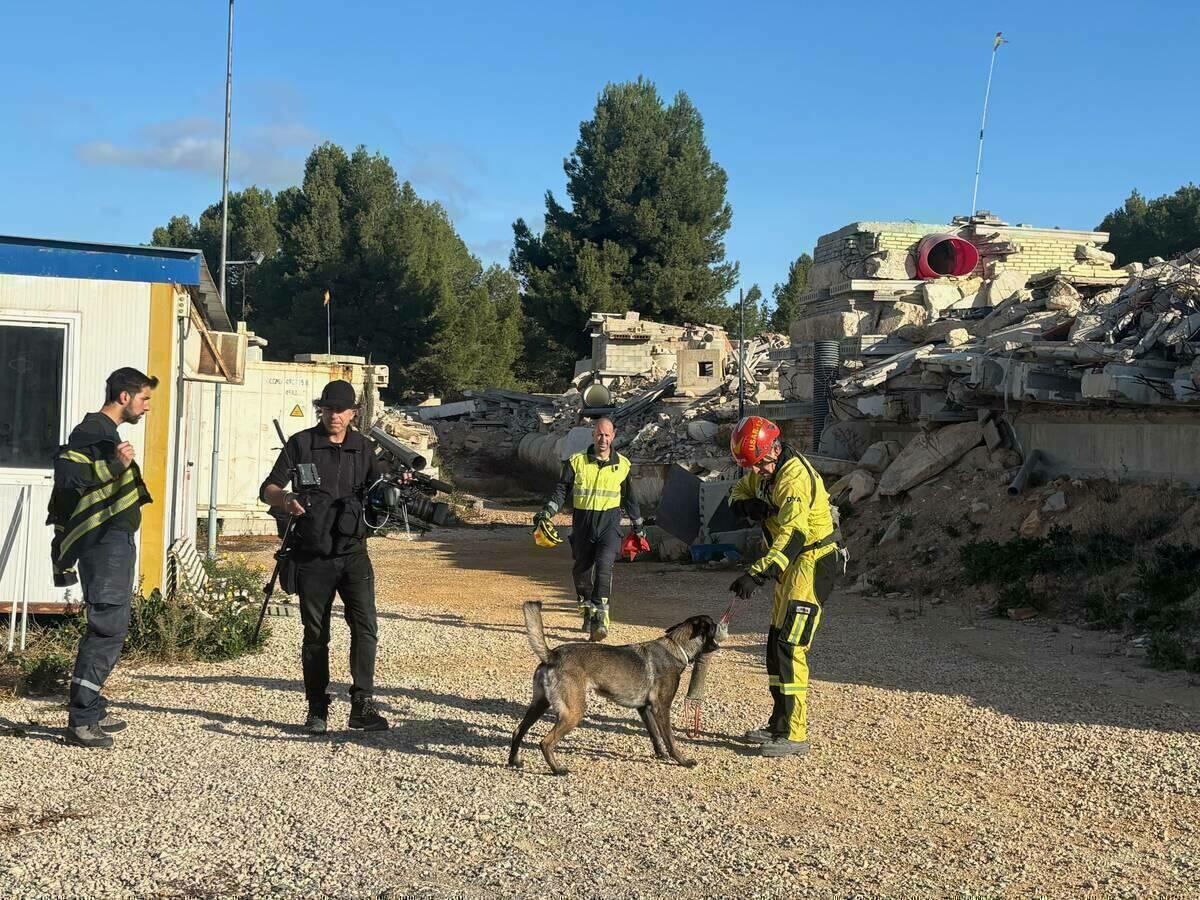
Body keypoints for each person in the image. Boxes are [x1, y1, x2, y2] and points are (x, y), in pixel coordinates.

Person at [260, 380, 392, 735]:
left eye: (341, 410)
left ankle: (361, 705)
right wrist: (285, 499)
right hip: (312, 555)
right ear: (321, 410)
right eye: (328, 409)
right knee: (316, 634)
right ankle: (317, 707)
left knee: (366, 629)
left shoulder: (364, 450)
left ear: (353, 413)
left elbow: (382, 493)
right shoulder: (302, 443)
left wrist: (397, 489)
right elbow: (267, 488)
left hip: (353, 554)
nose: (334, 416)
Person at [50, 367, 157, 749]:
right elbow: (66, 475)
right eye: (144, 399)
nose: (147, 408)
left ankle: (91, 708)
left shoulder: (105, 434)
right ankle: (81, 718)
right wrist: (115, 466)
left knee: (112, 626)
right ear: (124, 397)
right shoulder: (93, 433)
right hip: (104, 544)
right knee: (107, 628)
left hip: (113, 542)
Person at [726, 415, 839, 758]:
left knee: (791, 645)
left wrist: (757, 574)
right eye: (752, 466)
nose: (757, 471)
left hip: (811, 562)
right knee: (776, 643)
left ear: (774, 448)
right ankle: (778, 723)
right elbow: (737, 492)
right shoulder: (764, 470)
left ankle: (795, 731)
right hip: (791, 568)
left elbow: (793, 537)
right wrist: (746, 505)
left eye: (760, 464)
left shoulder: (793, 478)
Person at [534, 417, 644, 642]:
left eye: (607, 435)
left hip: (609, 525)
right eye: (599, 434)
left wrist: (638, 525)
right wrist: (547, 513)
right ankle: (586, 606)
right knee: (582, 571)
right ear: (593, 435)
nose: (603, 439)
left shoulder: (622, 465)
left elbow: (630, 499)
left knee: (604, 566)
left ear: (613, 436)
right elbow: (561, 492)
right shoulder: (576, 462)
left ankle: (601, 617)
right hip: (583, 525)